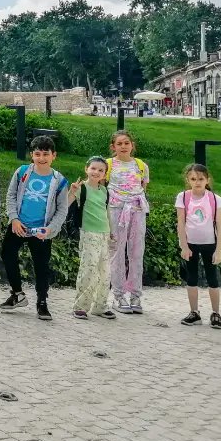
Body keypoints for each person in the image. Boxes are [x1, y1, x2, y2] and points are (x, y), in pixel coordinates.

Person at [0, 135, 69, 321]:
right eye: (37, 154)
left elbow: (62, 209)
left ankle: (42, 302)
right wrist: (14, 219)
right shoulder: (22, 172)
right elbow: (11, 195)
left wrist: (50, 229)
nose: (41, 158)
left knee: (41, 266)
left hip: (41, 231)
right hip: (19, 225)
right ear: (32, 155)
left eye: (46, 154)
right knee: (7, 254)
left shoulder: (59, 181)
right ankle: (17, 294)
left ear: (54, 155)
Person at [176, 164, 221, 329]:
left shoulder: (215, 199)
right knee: (191, 278)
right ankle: (194, 312)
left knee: (213, 279)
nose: (197, 182)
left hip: (209, 244)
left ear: (207, 180)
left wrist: (218, 250)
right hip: (191, 244)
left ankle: (215, 313)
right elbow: (180, 223)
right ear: (188, 180)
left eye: (201, 179)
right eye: (193, 179)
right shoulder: (183, 197)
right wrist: (184, 246)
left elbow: (220, 226)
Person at [106, 130, 151, 314]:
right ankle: (118, 295)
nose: (123, 146)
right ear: (113, 147)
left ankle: (135, 295)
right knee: (117, 252)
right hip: (116, 210)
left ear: (132, 145)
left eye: (126, 143)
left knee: (136, 252)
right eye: (119, 143)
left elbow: (143, 188)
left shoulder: (141, 165)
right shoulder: (108, 165)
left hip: (137, 211)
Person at [67, 157, 116, 320]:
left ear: (105, 174)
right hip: (89, 233)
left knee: (105, 273)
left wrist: (111, 231)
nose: (96, 172)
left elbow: (107, 212)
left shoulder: (104, 191)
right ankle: (80, 306)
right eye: (93, 168)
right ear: (86, 169)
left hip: (104, 235)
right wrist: (72, 191)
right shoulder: (82, 188)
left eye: (101, 170)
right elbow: (66, 204)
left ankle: (100, 306)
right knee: (88, 269)